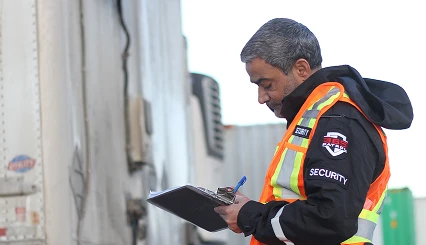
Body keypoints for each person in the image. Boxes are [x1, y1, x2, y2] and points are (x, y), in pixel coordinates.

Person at [214, 18, 413, 245]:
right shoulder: (320, 117)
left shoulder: (337, 121)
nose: (261, 98)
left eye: (267, 84)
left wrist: (250, 215)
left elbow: (330, 218)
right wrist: (248, 209)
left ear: (301, 69)